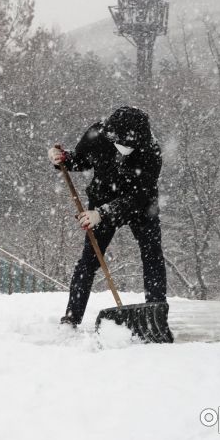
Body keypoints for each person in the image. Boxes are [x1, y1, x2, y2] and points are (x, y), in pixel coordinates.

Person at [48, 106, 168, 326]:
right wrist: (63, 159)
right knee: (89, 260)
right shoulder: (99, 134)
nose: (122, 149)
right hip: (102, 198)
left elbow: (138, 198)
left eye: (129, 146)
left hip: (141, 206)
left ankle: (156, 315)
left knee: (152, 255)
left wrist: (102, 214)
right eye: (119, 143)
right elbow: (82, 160)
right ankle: (72, 317)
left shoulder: (152, 152)